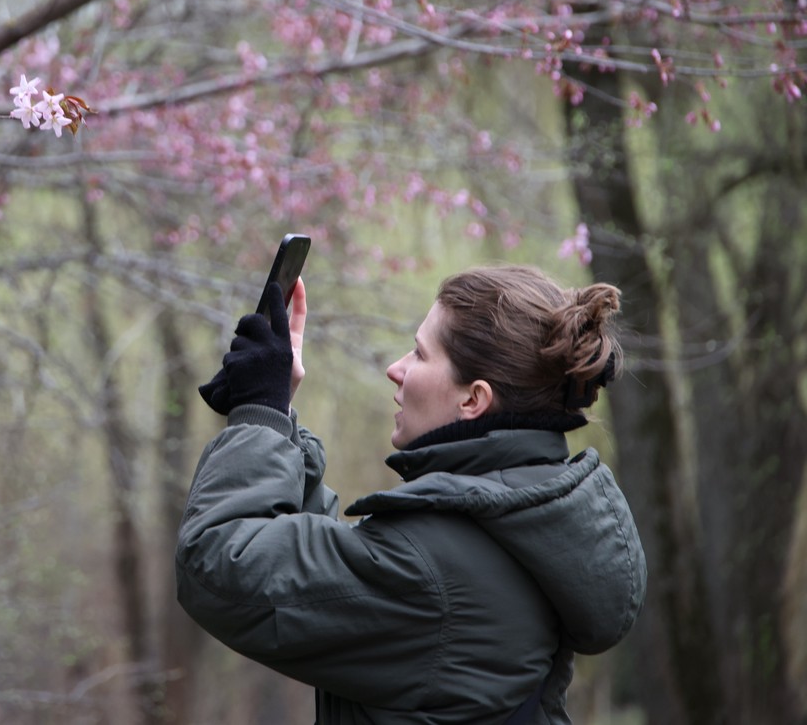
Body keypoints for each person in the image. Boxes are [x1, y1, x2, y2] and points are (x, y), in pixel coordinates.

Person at [176, 265, 647, 724]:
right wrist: (274, 413)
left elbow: (220, 562)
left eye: (420, 355)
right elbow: (328, 565)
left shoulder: (432, 571)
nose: (394, 369)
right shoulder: (516, 525)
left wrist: (259, 414)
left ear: (473, 400)